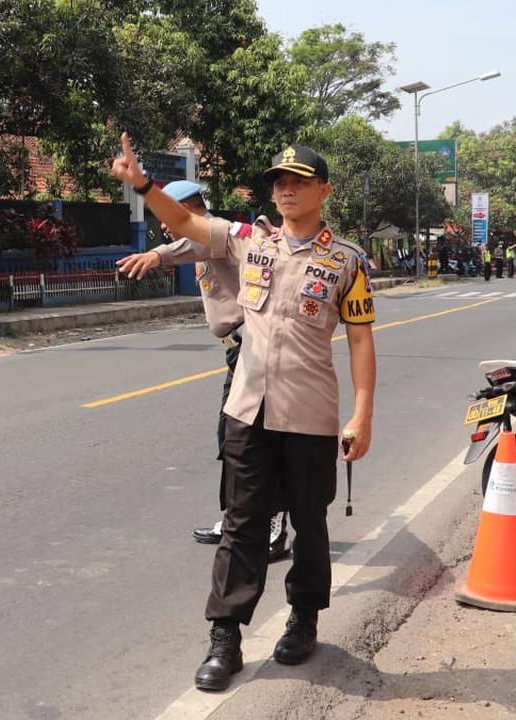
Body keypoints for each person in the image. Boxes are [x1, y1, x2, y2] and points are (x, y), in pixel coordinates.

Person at [111, 136, 377, 692]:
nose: (285, 189)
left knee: (309, 522)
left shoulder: (346, 261)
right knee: (241, 523)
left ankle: (303, 620)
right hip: (248, 408)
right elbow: (185, 224)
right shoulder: (247, 240)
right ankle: (225, 637)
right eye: (280, 180)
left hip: (310, 413)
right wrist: (141, 185)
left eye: (298, 181)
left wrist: (362, 415)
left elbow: (359, 340)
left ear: (322, 191)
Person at [115, 181, 288, 564]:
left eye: (168, 217)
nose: (164, 227)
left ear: (190, 210)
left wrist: (157, 255)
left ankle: (274, 525)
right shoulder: (205, 241)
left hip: (255, 351)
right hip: (238, 353)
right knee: (232, 439)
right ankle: (237, 520)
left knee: (251, 438)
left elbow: (193, 241)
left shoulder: (217, 232)